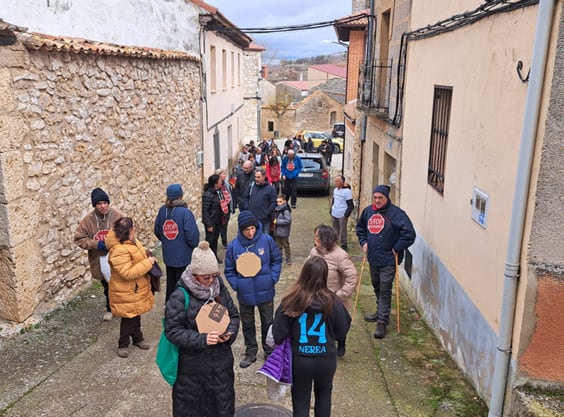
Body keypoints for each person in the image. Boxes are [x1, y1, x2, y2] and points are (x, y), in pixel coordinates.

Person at [165, 241, 240, 417]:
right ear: (195, 274)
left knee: (222, 408)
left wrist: (229, 334)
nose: (211, 281)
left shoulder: (219, 288)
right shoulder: (179, 296)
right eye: (206, 277)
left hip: (221, 368)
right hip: (191, 372)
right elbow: (172, 330)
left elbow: (234, 316)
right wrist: (202, 339)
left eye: (214, 275)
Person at [271, 256, 351, 417]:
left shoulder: (291, 301)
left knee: (300, 400)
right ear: (325, 276)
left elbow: (278, 335)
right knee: (324, 395)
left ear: (304, 274)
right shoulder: (333, 301)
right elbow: (342, 330)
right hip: (326, 359)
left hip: (300, 360)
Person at [355, 185, 416, 339]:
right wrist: (363, 242)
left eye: (380, 198)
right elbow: (360, 228)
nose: (377, 200)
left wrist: (397, 247)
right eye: (375, 197)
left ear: (387, 197)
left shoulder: (397, 214)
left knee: (385, 288)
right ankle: (380, 311)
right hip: (373, 256)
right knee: (376, 286)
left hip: (389, 259)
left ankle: (382, 322)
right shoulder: (368, 211)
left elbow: (409, 234)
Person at [224, 211, 282, 368]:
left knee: (268, 322)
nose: (250, 232)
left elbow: (277, 260)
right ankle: (251, 352)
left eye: (253, 228)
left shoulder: (267, 241)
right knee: (247, 323)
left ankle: (269, 350)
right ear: (241, 230)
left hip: (266, 291)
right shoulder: (233, 247)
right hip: (245, 294)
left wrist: (272, 278)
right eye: (246, 229)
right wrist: (237, 285)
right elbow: (229, 270)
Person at [105, 217, 155, 358]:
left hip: (136, 288)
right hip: (126, 290)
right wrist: (148, 263)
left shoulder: (131, 240)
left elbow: (136, 253)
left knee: (136, 314)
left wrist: (146, 253)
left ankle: (138, 338)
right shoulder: (118, 250)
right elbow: (127, 273)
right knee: (128, 318)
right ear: (130, 231)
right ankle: (123, 344)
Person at [74, 187, 126, 321]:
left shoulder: (118, 216)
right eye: (99, 204)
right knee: (106, 284)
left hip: (117, 256)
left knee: (120, 281)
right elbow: (79, 238)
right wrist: (96, 244)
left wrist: (117, 243)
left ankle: (122, 304)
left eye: (105, 203)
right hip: (99, 257)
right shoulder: (88, 221)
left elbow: (128, 232)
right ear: (95, 205)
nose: (103, 206)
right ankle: (110, 308)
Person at [154, 184, 200, 302]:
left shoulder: (162, 211)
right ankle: (183, 305)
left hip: (168, 253)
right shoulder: (185, 212)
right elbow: (191, 236)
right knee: (185, 282)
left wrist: (167, 241)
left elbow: (157, 231)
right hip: (184, 254)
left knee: (171, 280)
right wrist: (193, 246)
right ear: (181, 196)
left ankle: (169, 304)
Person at [309, 225, 358, 311]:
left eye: (317, 236)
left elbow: (352, 278)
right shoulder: (314, 252)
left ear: (324, 238)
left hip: (332, 304)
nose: (314, 238)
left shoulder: (340, 255)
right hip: (313, 299)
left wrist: (338, 296)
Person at [240, 167, 277, 235]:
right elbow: (245, 197)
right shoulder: (251, 186)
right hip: (253, 219)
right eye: (255, 177)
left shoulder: (270, 189)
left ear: (264, 177)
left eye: (258, 177)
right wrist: (247, 208)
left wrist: (267, 213)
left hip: (265, 220)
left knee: (265, 239)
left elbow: (273, 202)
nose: (256, 179)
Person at [202, 174, 227, 264]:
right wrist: (208, 224)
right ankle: (206, 259)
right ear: (215, 183)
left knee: (215, 240)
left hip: (217, 221)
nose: (222, 182)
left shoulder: (218, 192)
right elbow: (205, 211)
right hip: (211, 222)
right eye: (220, 181)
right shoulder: (207, 195)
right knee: (210, 240)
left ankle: (214, 257)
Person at [331, 175, 354, 250]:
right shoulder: (335, 190)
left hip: (342, 213)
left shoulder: (347, 192)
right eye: (335, 181)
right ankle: (334, 243)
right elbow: (334, 200)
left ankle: (344, 244)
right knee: (335, 229)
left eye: (337, 181)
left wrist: (346, 214)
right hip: (334, 212)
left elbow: (350, 205)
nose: (335, 182)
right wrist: (331, 209)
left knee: (343, 230)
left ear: (342, 182)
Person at [215, 168, 235, 249]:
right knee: (218, 227)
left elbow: (230, 196)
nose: (225, 175)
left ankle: (224, 242)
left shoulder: (226, 184)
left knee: (224, 226)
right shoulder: (215, 185)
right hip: (219, 210)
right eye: (223, 174)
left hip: (227, 209)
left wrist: (231, 208)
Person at [273, 193, 292, 265]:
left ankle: (288, 258)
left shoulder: (285, 210)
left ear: (284, 201)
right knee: (278, 246)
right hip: (277, 231)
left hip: (284, 232)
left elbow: (288, 220)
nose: (278, 203)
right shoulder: (276, 209)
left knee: (286, 245)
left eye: (280, 201)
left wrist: (277, 222)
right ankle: (279, 258)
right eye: (277, 202)